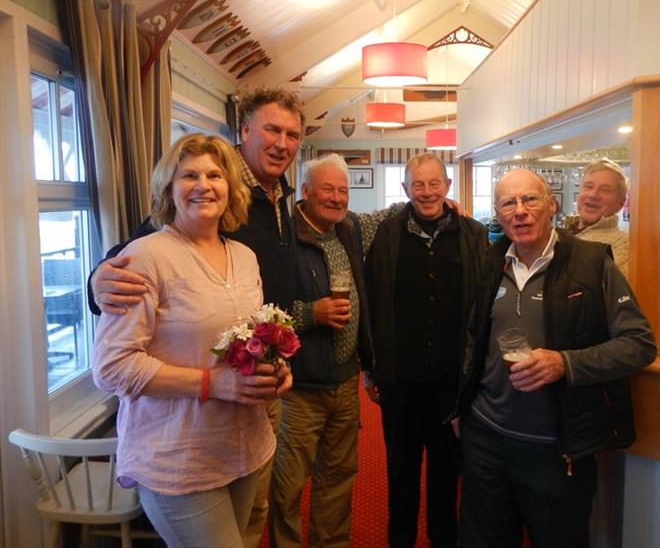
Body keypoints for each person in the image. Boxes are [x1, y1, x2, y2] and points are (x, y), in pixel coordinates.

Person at [88, 88, 304, 548]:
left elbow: (254, 332)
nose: (204, 184)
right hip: (179, 458)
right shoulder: (146, 256)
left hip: (247, 441)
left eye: (213, 175)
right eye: (189, 175)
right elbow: (111, 367)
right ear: (168, 187)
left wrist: (275, 366)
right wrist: (95, 279)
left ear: (230, 188)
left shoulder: (245, 254)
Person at [452, 168, 656, 548]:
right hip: (486, 440)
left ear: (551, 205)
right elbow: (471, 340)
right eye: (508, 203)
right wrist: (461, 408)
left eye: (529, 200)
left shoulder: (592, 264)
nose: (520, 211)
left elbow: (638, 344)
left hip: (556, 449)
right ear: (498, 213)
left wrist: (565, 363)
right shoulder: (489, 263)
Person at [365, 153, 488, 548]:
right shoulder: (384, 234)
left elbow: (484, 304)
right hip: (400, 381)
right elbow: (370, 300)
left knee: (446, 476)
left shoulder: (474, 235)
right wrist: (369, 368)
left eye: (434, 183)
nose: (427, 191)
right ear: (405, 190)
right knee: (400, 474)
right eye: (418, 184)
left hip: (452, 385)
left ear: (448, 187)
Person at [268, 154, 372, 547]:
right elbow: (263, 310)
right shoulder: (283, 236)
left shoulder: (349, 227)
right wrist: (312, 313)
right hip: (300, 386)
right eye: (327, 189)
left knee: (338, 478)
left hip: (345, 380)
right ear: (306, 191)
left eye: (343, 190)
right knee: (289, 486)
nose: (336, 198)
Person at [564, 158, 630, 277]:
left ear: (620, 203)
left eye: (605, 190)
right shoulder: (559, 236)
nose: (593, 195)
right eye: (588, 187)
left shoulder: (625, 248)